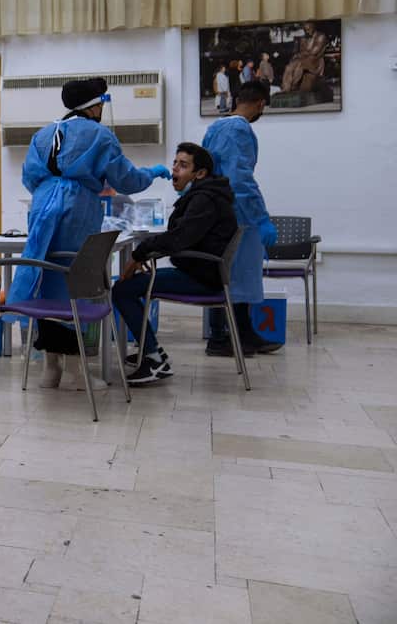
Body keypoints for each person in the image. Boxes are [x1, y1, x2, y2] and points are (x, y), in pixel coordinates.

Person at [10, 77, 169, 390]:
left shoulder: (44, 133)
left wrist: (50, 194)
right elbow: (127, 181)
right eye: (102, 104)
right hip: (78, 211)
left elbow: (29, 177)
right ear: (95, 106)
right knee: (74, 284)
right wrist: (151, 173)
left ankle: (51, 369)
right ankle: (78, 371)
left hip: (41, 207)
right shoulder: (100, 135)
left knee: (44, 279)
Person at [113, 143, 238, 385]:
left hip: (201, 278)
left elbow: (180, 237)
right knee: (128, 286)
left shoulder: (204, 199)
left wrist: (141, 253)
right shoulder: (205, 195)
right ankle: (153, 352)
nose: (174, 170)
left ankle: (152, 359)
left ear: (199, 173)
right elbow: (182, 237)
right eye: (174, 163)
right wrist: (149, 253)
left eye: (183, 165)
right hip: (202, 272)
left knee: (122, 289)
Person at [203, 82, 280, 356]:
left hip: (217, 212)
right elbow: (240, 180)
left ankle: (239, 334)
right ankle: (224, 338)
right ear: (260, 103)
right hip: (236, 214)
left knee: (226, 275)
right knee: (237, 276)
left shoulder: (215, 128)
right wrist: (261, 218)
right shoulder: (239, 130)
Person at [280, 21, 328, 94]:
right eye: (305, 30)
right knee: (289, 66)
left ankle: (293, 86)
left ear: (313, 28)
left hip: (315, 61)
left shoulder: (320, 36)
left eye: (308, 29)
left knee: (300, 65)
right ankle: (286, 88)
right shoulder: (303, 38)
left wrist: (300, 55)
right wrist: (297, 55)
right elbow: (300, 51)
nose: (307, 31)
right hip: (303, 59)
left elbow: (314, 52)